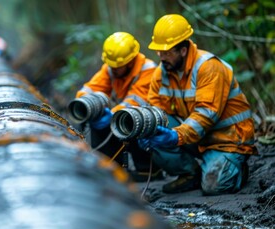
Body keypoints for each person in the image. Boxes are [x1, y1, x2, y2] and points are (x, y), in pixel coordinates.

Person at [139, 14, 257, 195]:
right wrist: (146, 129)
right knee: (150, 125)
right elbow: (154, 107)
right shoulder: (162, 73)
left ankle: (235, 169)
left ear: (183, 50)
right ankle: (190, 173)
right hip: (196, 138)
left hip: (228, 140)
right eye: (159, 51)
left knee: (214, 186)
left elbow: (206, 114)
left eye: (167, 52)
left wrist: (175, 136)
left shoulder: (208, 67)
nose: (161, 57)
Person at [75, 32, 163, 182]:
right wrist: (86, 104)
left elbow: (136, 101)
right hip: (123, 115)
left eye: (117, 66)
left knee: (134, 119)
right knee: (100, 119)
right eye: (111, 65)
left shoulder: (148, 70)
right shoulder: (112, 68)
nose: (113, 69)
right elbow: (91, 88)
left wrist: (112, 115)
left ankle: (149, 170)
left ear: (130, 62)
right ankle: (110, 166)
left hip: (149, 122)